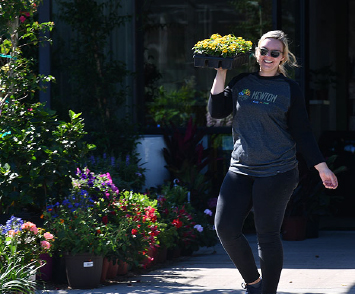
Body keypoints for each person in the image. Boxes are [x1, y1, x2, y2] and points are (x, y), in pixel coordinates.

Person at [208, 30, 338, 294]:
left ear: (283, 58)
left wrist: (321, 167)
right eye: (264, 51)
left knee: (267, 237)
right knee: (225, 228)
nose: (268, 56)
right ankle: (254, 283)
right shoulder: (242, 80)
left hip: (277, 171)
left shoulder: (289, 89)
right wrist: (220, 71)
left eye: (274, 53)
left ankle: (268, 292)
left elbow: (302, 131)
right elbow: (217, 111)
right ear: (257, 53)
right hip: (241, 169)